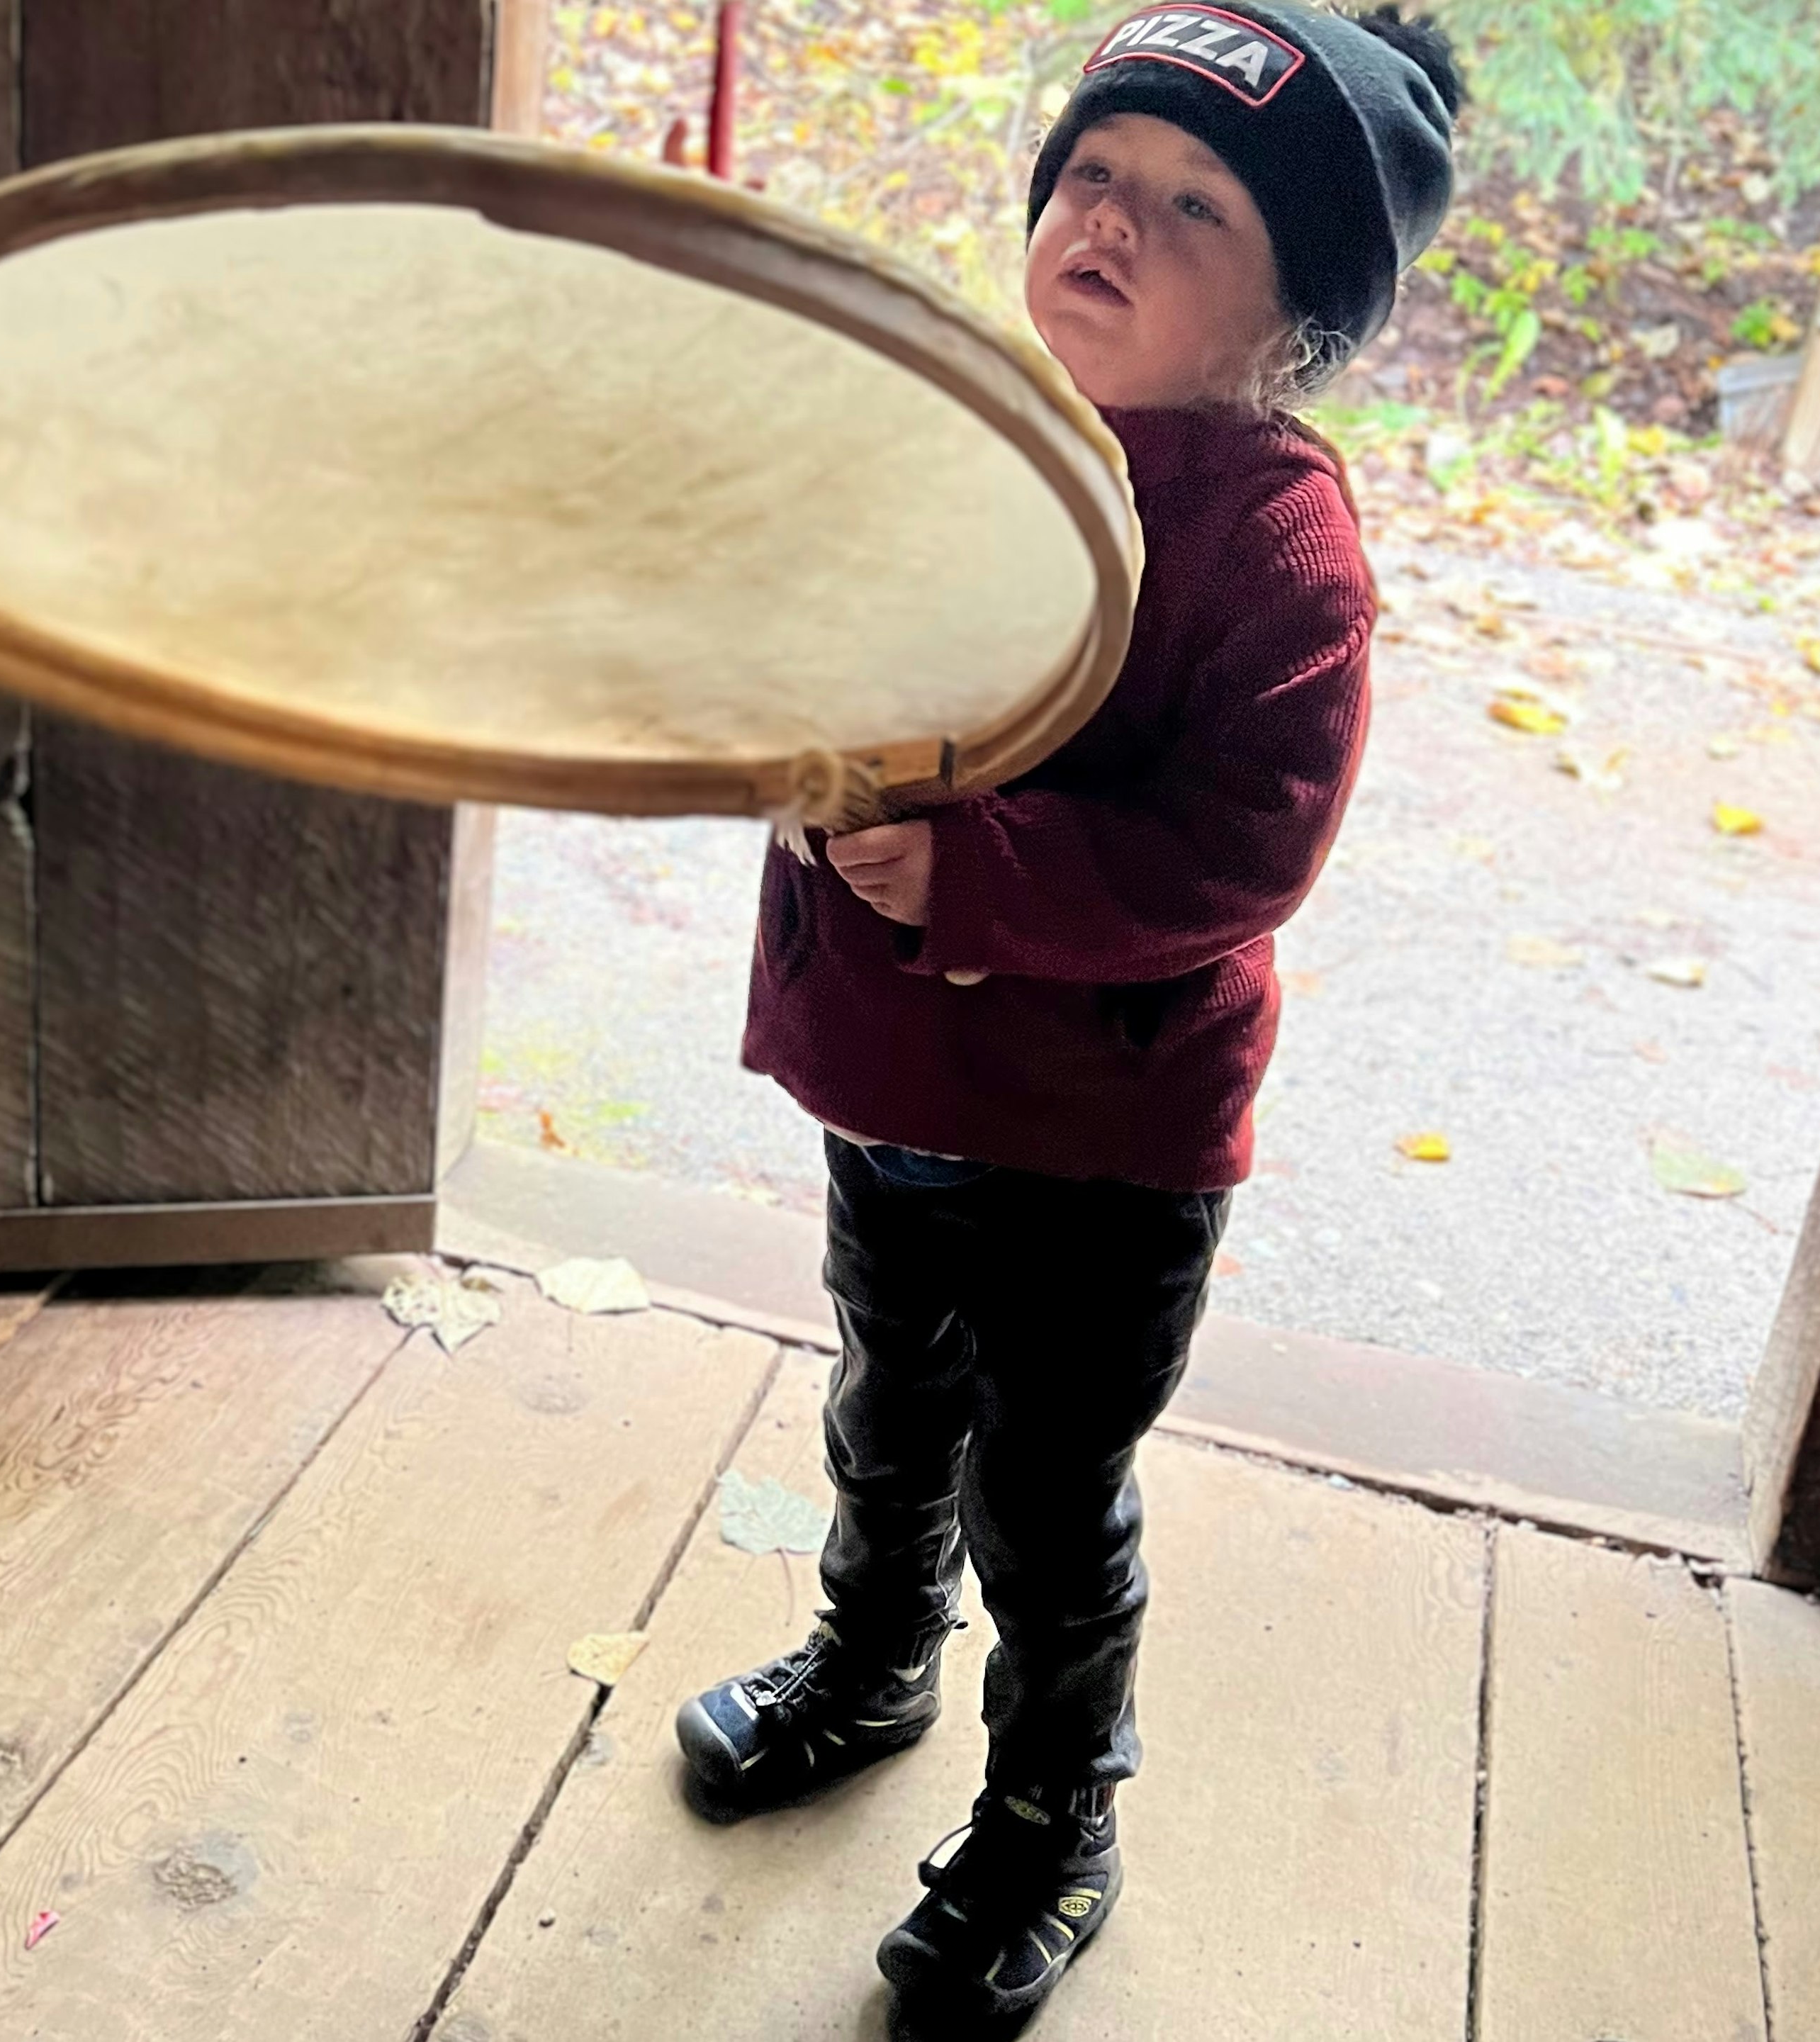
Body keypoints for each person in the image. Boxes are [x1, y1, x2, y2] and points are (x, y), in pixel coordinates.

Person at [673, 2, 1467, 2021]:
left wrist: (985, 873)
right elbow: (824, 643)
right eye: (1094, 174)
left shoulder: (1281, 547)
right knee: (887, 1407)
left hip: (1102, 1138)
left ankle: (1050, 1815)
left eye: (1195, 205)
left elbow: (1247, 849)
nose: (1115, 217)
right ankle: (869, 1664)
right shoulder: (965, 432)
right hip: (899, 1074)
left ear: (1294, 316)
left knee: (1042, 1487)